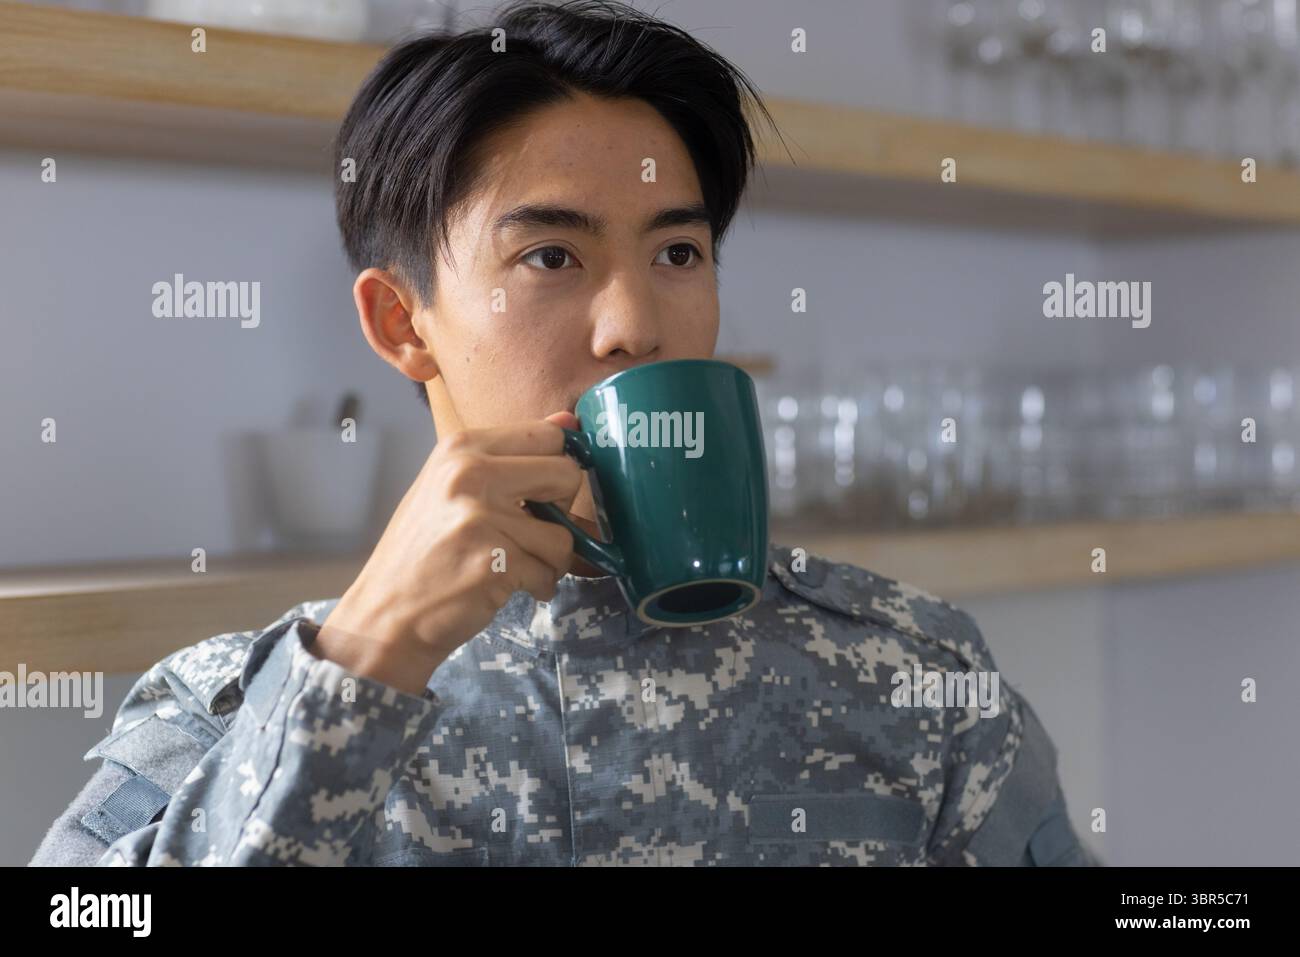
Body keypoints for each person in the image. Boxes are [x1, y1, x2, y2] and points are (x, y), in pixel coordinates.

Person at [30, 0, 1097, 867]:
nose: (635, 323)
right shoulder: (226, 708)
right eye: (551, 257)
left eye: (678, 254)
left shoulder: (912, 670)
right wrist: (362, 661)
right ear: (403, 324)